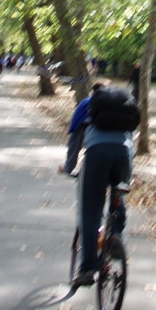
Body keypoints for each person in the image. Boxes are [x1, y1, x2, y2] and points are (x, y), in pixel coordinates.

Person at [59, 84, 134, 288]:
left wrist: (69, 167)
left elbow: (75, 138)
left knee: (90, 210)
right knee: (118, 195)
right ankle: (117, 236)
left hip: (97, 156)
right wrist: (128, 176)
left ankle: (87, 268)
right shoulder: (125, 105)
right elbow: (131, 138)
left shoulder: (86, 104)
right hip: (124, 156)